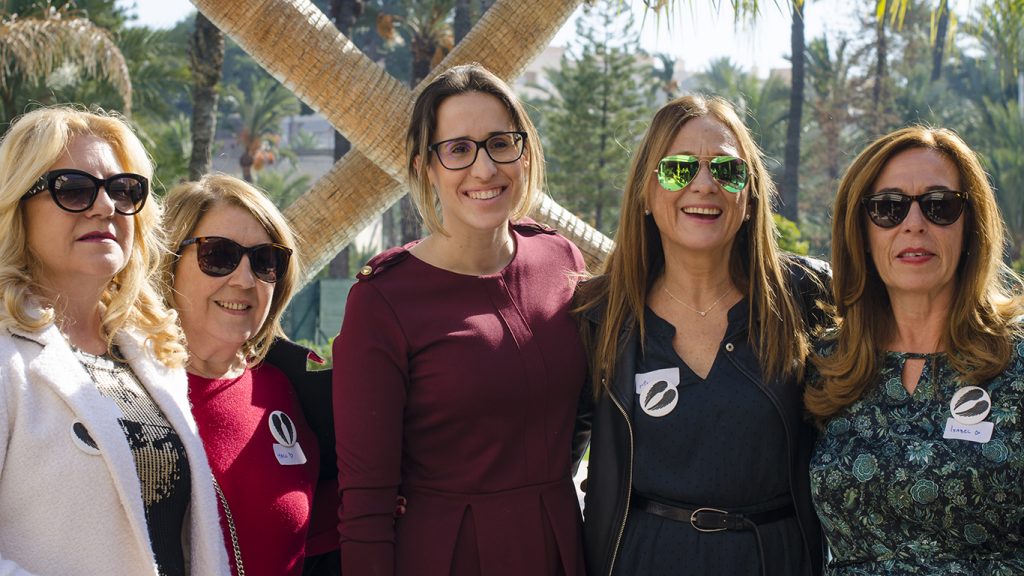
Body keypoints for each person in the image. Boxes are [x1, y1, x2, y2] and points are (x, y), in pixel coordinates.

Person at [332, 63, 589, 576]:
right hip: (447, 555)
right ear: (426, 166)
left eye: (500, 143)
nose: (484, 168)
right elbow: (365, 505)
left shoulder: (560, 260)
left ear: (525, 149)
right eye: (458, 149)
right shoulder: (384, 300)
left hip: (562, 545)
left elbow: (580, 419)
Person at [574, 94, 830, 576]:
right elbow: (545, 462)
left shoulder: (806, 299)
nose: (705, 185)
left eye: (727, 171)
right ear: (646, 194)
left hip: (774, 560)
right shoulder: (599, 316)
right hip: (642, 560)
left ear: (751, 197)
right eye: (678, 170)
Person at [0, 106, 228, 574]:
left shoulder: (150, 353)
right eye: (74, 189)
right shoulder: (6, 356)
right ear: (16, 206)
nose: (106, 207)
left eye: (124, 191)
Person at [806, 127, 1024, 574]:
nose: (914, 223)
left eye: (939, 205)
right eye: (888, 208)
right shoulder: (827, 365)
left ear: (971, 225)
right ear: (861, 231)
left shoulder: (1016, 359)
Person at [160, 174, 339, 576]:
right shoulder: (125, 391)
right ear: (168, 261)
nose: (244, 280)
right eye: (218, 255)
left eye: (264, 260)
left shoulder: (284, 385)